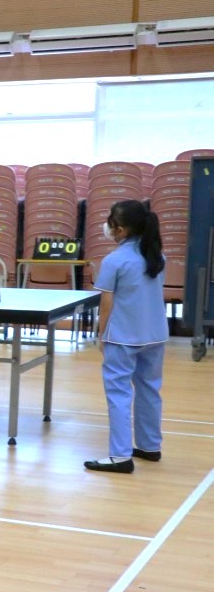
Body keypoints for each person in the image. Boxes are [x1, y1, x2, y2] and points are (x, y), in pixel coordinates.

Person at [86, 200, 168, 473]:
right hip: (155, 334)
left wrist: (101, 335)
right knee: (149, 389)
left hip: (122, 336)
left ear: (120, 230)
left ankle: (120, 456)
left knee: (119, 393)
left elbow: (106, 303)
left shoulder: (114, 260)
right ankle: (150, 446)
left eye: (110, 222)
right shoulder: (158, 257)